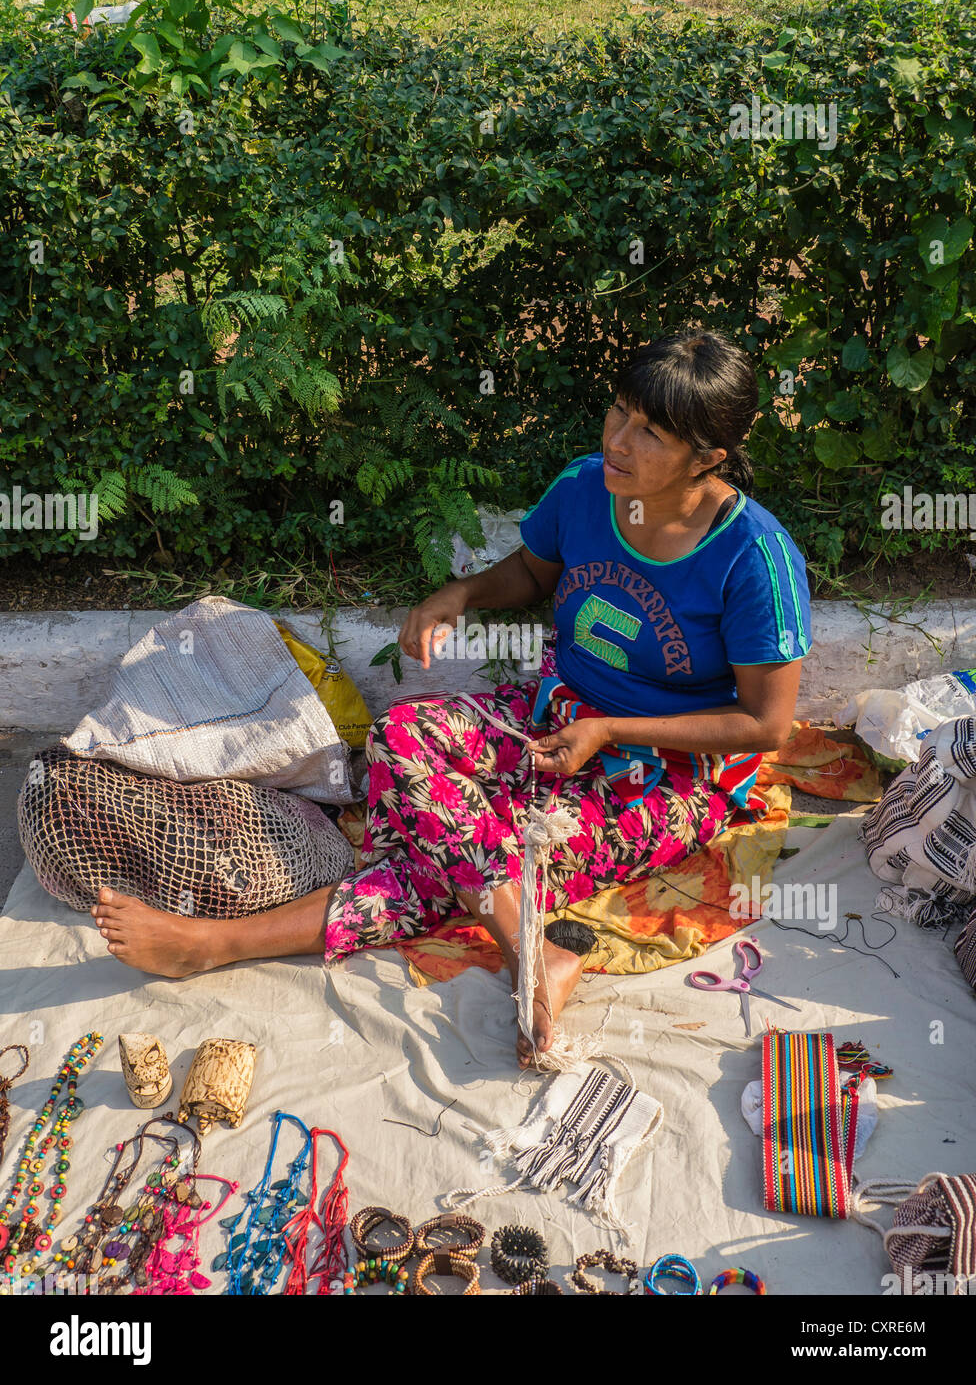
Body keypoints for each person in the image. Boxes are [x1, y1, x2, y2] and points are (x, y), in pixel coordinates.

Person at [93, 329, 811, 1069]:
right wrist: (461, 593)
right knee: (402, 738)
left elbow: (765, 724)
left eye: (651, 433)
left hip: (668, 771)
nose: (620, 441)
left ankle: (211, 946)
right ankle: (530, 951)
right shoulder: (586, 487)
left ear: (709, 458)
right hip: (557, 717)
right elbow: (535, 571)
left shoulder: (753, 559)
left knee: (450, 858)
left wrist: (611, 728)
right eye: (619, 413)